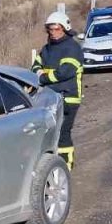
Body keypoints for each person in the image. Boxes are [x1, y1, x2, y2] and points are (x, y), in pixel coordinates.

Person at [32, 11, 83, 169]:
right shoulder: (47, 48)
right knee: (50, 134)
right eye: (50, 29)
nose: (53, 32)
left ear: (65, 28)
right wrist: (39, 72)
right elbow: (35, 66)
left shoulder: (72, 48)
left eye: (56, 29)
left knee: (62, 134)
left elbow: (65, 72)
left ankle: (66, 166)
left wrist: (42, 77)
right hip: (49, 97)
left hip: (68, 98)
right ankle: (53, 165)